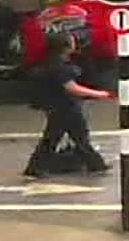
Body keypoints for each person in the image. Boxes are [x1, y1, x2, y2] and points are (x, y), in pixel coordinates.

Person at [25, 33, 111, 177]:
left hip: (60, 106)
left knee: (58, 137)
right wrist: (99, 94)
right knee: (76, 136)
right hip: (64, 106)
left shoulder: (54, 62)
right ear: (65, 47)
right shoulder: (59, 66)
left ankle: (94, 164)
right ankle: (95, 164)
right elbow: (72, 87)